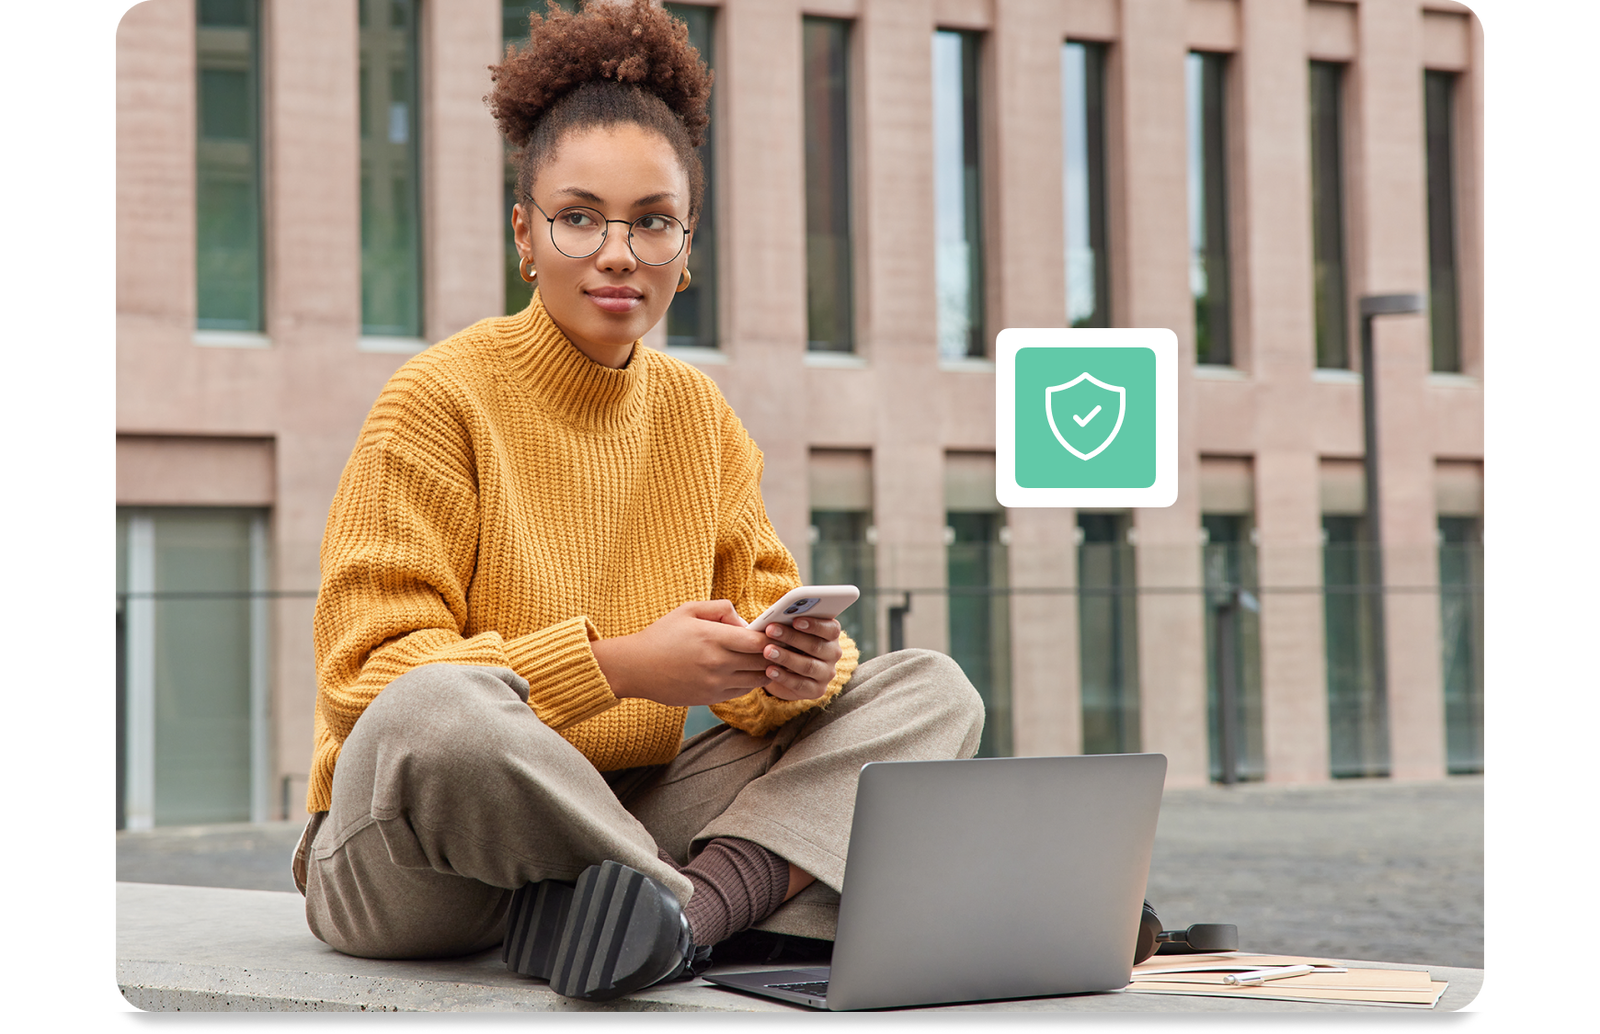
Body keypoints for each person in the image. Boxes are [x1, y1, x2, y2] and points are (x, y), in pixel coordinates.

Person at [294, 0, 984, 1003]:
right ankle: (716, 906)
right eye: (580, 217)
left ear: (686, 250)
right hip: (411, 858)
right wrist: (619, 666)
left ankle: (661, 921)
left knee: (929, 687)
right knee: (443, 706)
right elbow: (369, 686)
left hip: (604, 835)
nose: (618, 253)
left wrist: (786, 667)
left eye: (652, 222)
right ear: (525, 235)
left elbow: (765, 651)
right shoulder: (436, 399)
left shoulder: (698, 417)